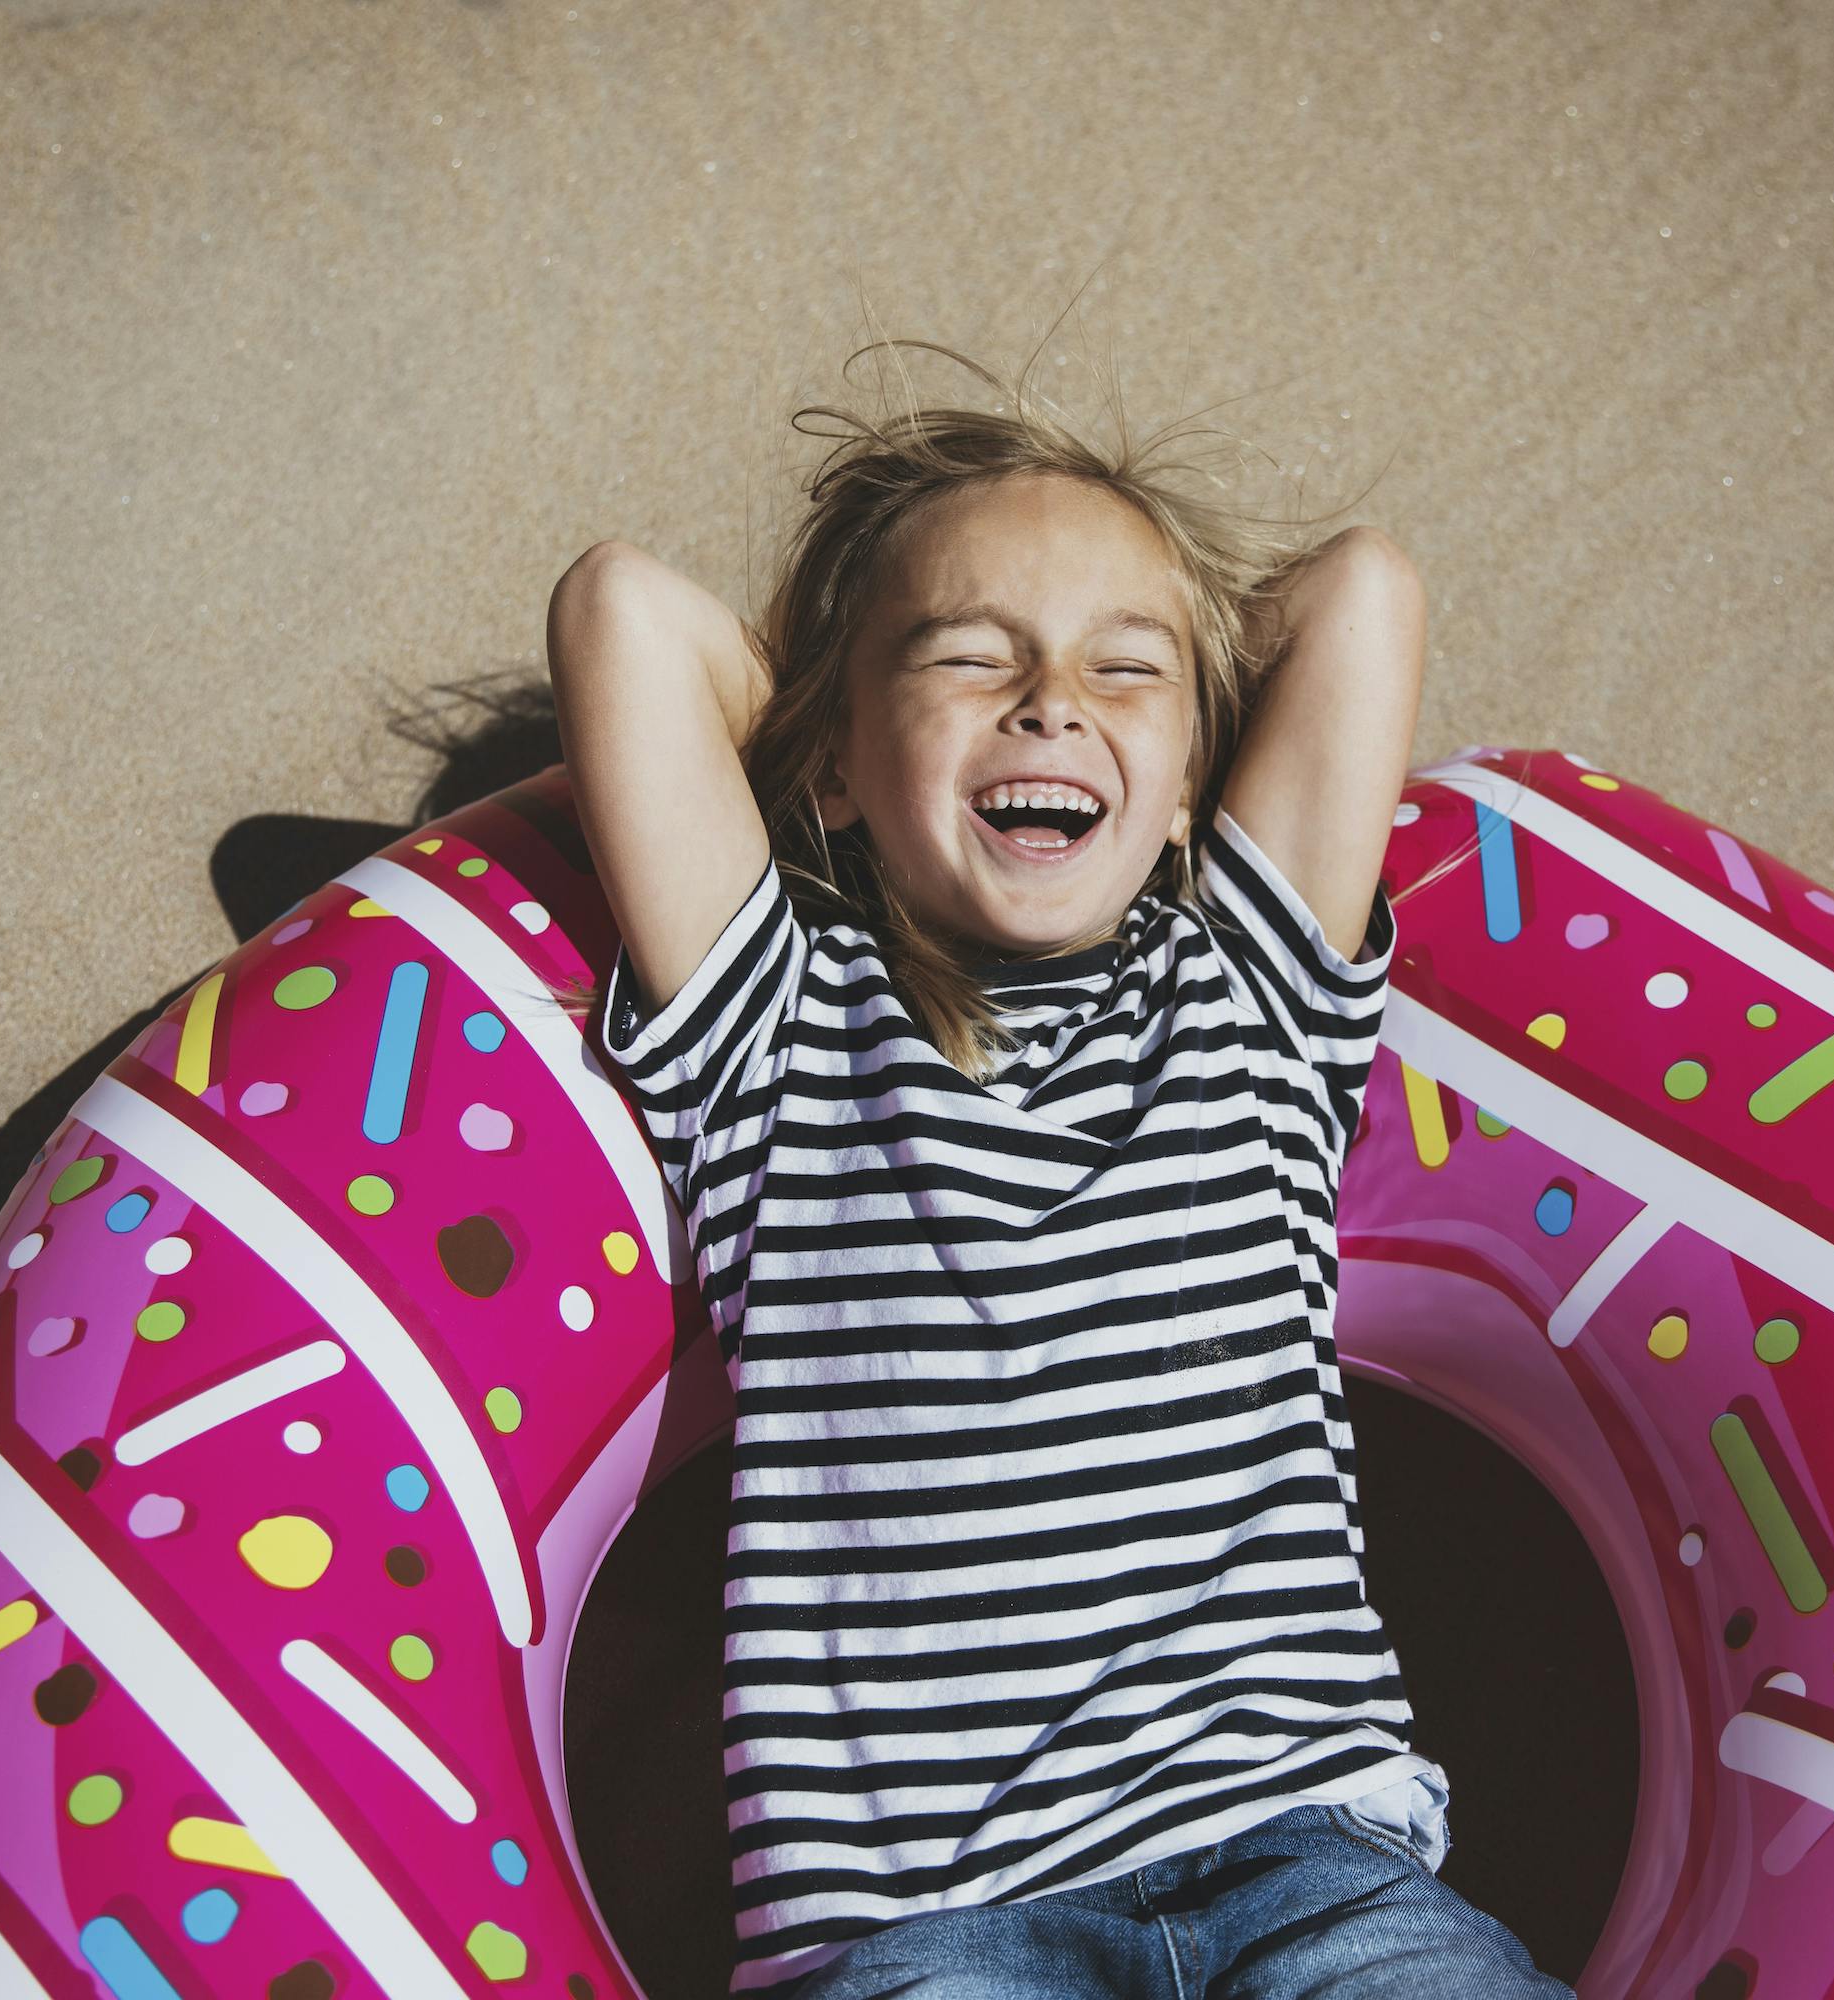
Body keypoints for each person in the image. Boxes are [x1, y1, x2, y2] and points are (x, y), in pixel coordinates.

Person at [549, 339, 1572, 2000]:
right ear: (830, 765)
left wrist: (1084, 698)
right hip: (921, 1916)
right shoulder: (782, 1032)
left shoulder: (1249, 994)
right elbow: (621, 614)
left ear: (1187, 789)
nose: (1050, 703)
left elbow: (1363, 594)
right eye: (974, 658)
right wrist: (844, 715)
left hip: (1305, 1857)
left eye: (1122, 670)